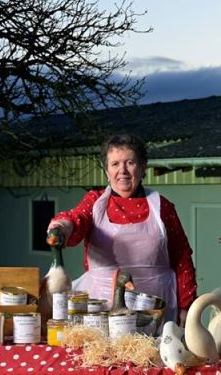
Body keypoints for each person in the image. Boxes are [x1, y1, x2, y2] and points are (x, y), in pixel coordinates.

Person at [47, 133, 197, 326]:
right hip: (101, 311)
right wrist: (61, 226)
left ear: (142, 168)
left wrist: (186, 306)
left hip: (156, 312)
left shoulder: (163, 207)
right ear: (107, 171)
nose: (122, 171)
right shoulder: (95, 202)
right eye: (115, 164)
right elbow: (76, 221)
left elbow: (182, 257)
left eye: (130, 163)